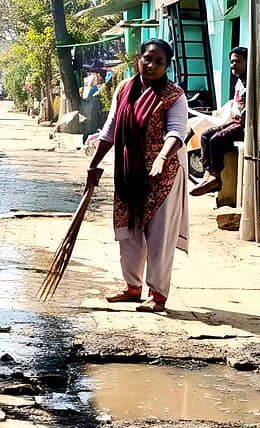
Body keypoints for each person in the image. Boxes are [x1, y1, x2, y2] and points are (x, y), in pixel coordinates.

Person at [86, 39, 189, 313]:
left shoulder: (174, 95)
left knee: (159, 236)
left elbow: (177, 132)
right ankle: (132, 287)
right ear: (138, 59)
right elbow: (109, 130)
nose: (152, 65)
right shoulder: (124, 90)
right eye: (148, 58)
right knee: (128, 231)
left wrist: (162, 157)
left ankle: (158, 295)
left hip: (162, 176)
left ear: (167, 66)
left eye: (159, 61)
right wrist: (94, 165)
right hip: (128, 172)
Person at [190, 46, 260, 196]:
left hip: (255, 126)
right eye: (232, 62)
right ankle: (208, 175)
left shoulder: (256, 80)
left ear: (248, 62)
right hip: (240, 123)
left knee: (217, 140)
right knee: (206, 136)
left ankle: (215, 177)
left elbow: (252, 110)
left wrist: (233, 124)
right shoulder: (239, 82)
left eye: (238, 61)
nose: (233, 65)